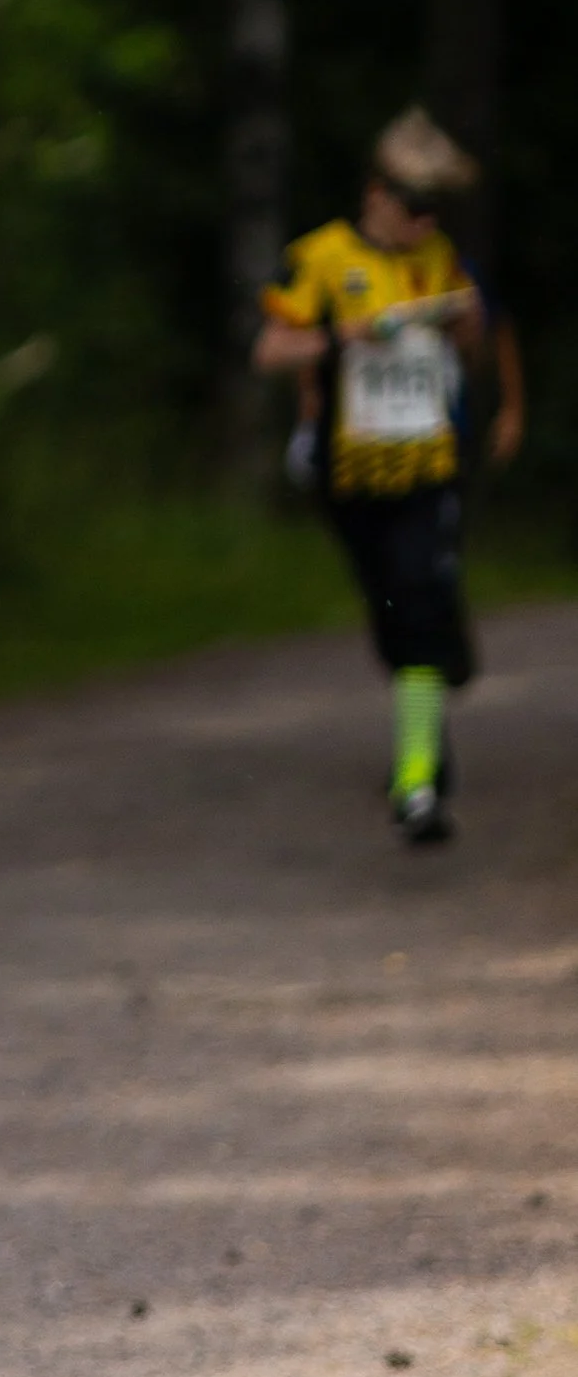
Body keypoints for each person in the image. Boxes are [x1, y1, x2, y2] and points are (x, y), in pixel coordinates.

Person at [255, 106, 500, 844]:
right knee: (394, 614)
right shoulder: (321, 256)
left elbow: (474, 344)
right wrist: (343, 336)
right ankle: (431, 681)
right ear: (376, 195)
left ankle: (416, 782)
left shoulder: (438, 256)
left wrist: (462, 323)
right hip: (353, 475)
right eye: (415, 207)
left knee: (419, 597)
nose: (426, 223)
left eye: (436, 210)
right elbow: (270, 350)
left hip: (429, 463)